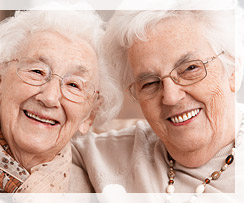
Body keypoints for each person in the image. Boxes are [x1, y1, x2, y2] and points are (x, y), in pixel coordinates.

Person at [71, 0, 244, 200]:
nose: (170, 97)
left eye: (190, 69)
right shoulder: (104, 157)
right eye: (150, 83)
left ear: (233, 69)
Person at [0, 8, 122, 194]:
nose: (50, 98)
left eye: (74, 85)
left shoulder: (97, 192)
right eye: (37, 71)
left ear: (90, 116)